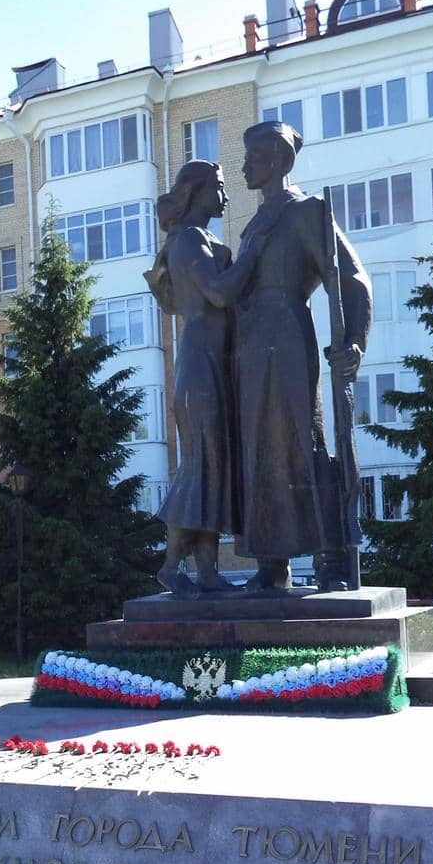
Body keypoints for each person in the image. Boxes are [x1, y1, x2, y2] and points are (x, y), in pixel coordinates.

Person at [234, 121, 371, 591]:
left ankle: (330, 557)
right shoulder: (254, 223)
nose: (245, 166)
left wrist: (354, 339)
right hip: (251, 345)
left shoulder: (306, 211)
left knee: (302, 438)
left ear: (276, 157)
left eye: (253, 156)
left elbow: (351, 278)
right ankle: (272, 564)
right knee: (260, 449)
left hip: (289, 334)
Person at [144, 161, 266, 596]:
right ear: (195, 192)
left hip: (217, 363)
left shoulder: (204, 239)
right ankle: (170, 566)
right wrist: (253, 251)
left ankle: (208, 572)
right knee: (199, 470)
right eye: (219, 186)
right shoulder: (187, 241)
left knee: (215, 471)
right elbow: (218, 292)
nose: (226, 196)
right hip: (199, 367)